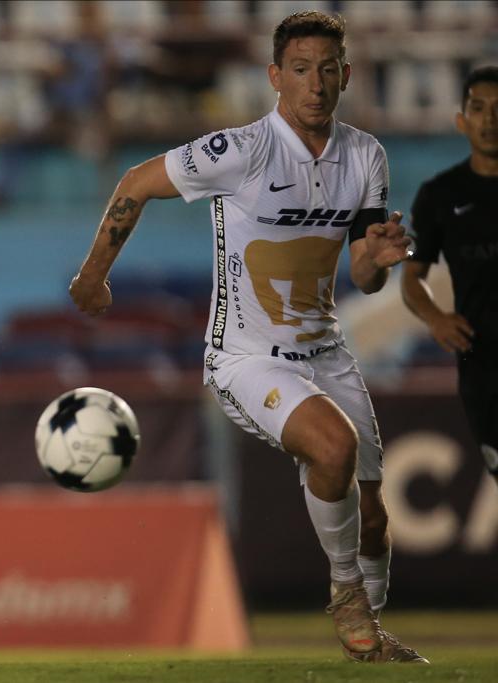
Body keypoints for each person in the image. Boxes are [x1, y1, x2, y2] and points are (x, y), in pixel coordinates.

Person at [69, 11, 426, 663]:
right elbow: (136, 183)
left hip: (327, 352)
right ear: (274, 77)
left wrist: (379, 257)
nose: (315, 83)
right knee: (334, 446)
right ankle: (347, 597)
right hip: (247, 358)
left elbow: (364, 274)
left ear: (346, 75)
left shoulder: (365, 155)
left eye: (327, 70)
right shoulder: (240, 151)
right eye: (300, 69)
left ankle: (370, 638)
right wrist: (94, 274)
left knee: (374, 519)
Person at [402, 66, 498, 485]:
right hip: (483, 365)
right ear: (461, 120)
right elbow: (412, 278)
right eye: (478, 108)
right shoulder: (440, 196)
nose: (490, 119)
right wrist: (435, 318)